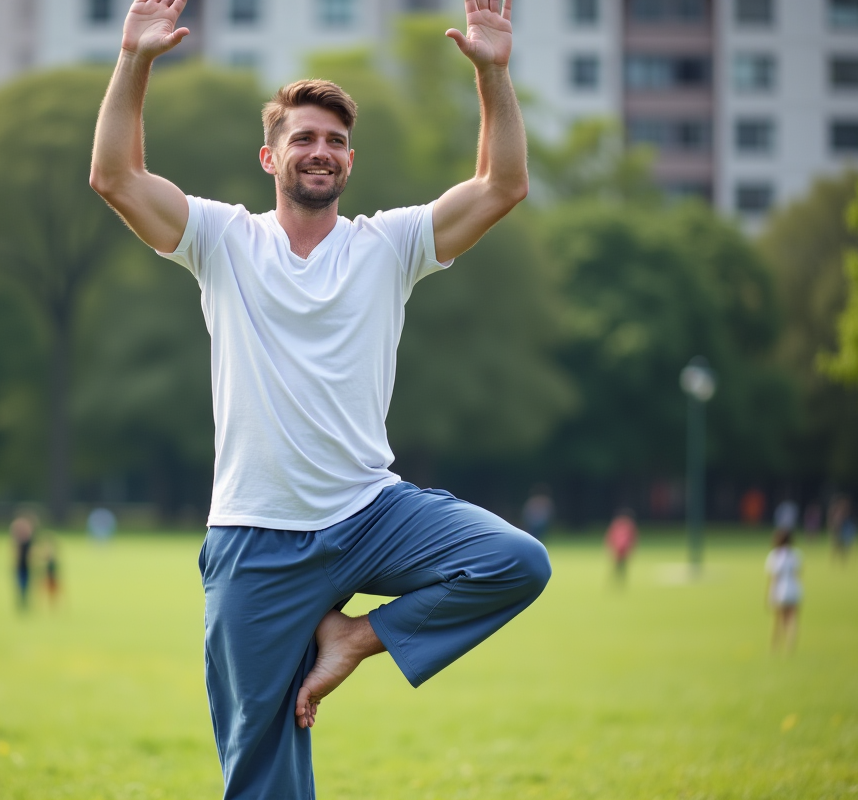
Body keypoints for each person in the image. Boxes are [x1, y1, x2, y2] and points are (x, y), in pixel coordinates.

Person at [90, 1, 549, 796]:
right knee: (262, 774)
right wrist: (134, 59)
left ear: (350, 160)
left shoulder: (388, 246)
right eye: (302, 137)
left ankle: (349, 641)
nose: (320, 150)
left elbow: (502, 184)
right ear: (269, 157)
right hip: (255, 538)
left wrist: (493, 72)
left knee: (513, 560)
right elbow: (115, 177)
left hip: (370, 515)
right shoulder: (223, 240)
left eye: (335, 140)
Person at [765, 530, 802, 652]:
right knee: (792, 620)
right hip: (794, 589)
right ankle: (789, 648)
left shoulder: (775, 555)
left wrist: (769, 594)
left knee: (778, 621)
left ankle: (774, 647)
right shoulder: (796, 554)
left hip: (780, 590)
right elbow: (798, 573)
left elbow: (773, 577)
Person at [604, 509, 638, 585]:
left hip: (620, 549)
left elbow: (610, 536)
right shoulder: (628, 525)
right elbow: (633, 538)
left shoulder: (618, 524)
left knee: (619, 566)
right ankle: (618, 581)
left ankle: (617, 581)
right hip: (622, 549)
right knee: (620, 566)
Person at [10, 514, 35, 611]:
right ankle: (21, 602)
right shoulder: (18, 541)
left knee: (27, 585)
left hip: (27, 566)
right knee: (20, 584)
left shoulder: (29, 540)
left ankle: (25, 602)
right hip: (20, 566)